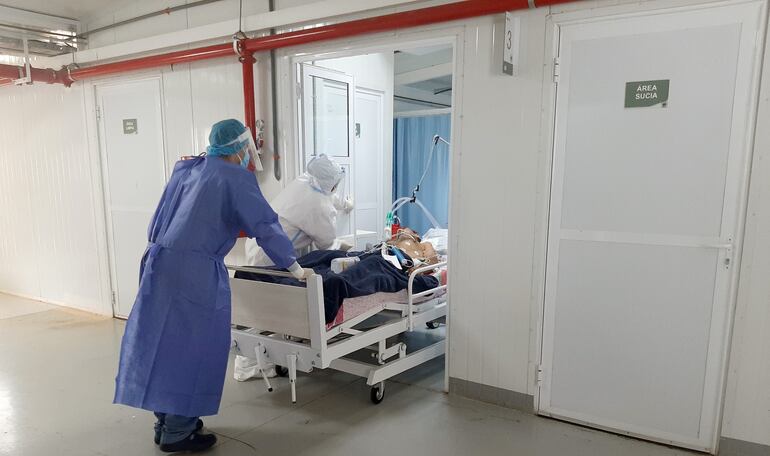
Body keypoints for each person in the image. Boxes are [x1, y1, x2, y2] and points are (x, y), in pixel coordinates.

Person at [113, 119, 312, 453]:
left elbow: (161, 217)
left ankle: (166, 423)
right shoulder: (234, 177)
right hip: (193, 274)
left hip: (158, 264)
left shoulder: (188, 169)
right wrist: (293, 265)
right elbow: (264, 224)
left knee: (163, 346)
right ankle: (179, 432)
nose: (249, 155)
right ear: (239, 148)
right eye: (247, 148)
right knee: (192, 349)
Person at [245, 154, 354, 267]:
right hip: (271, 257)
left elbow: (325, 193)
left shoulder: (307, 180)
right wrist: (340, 244)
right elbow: (327, 244)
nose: (336, 187)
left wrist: (345, 204)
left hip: (257, 243)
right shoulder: (318, 206)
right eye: (336, 183)